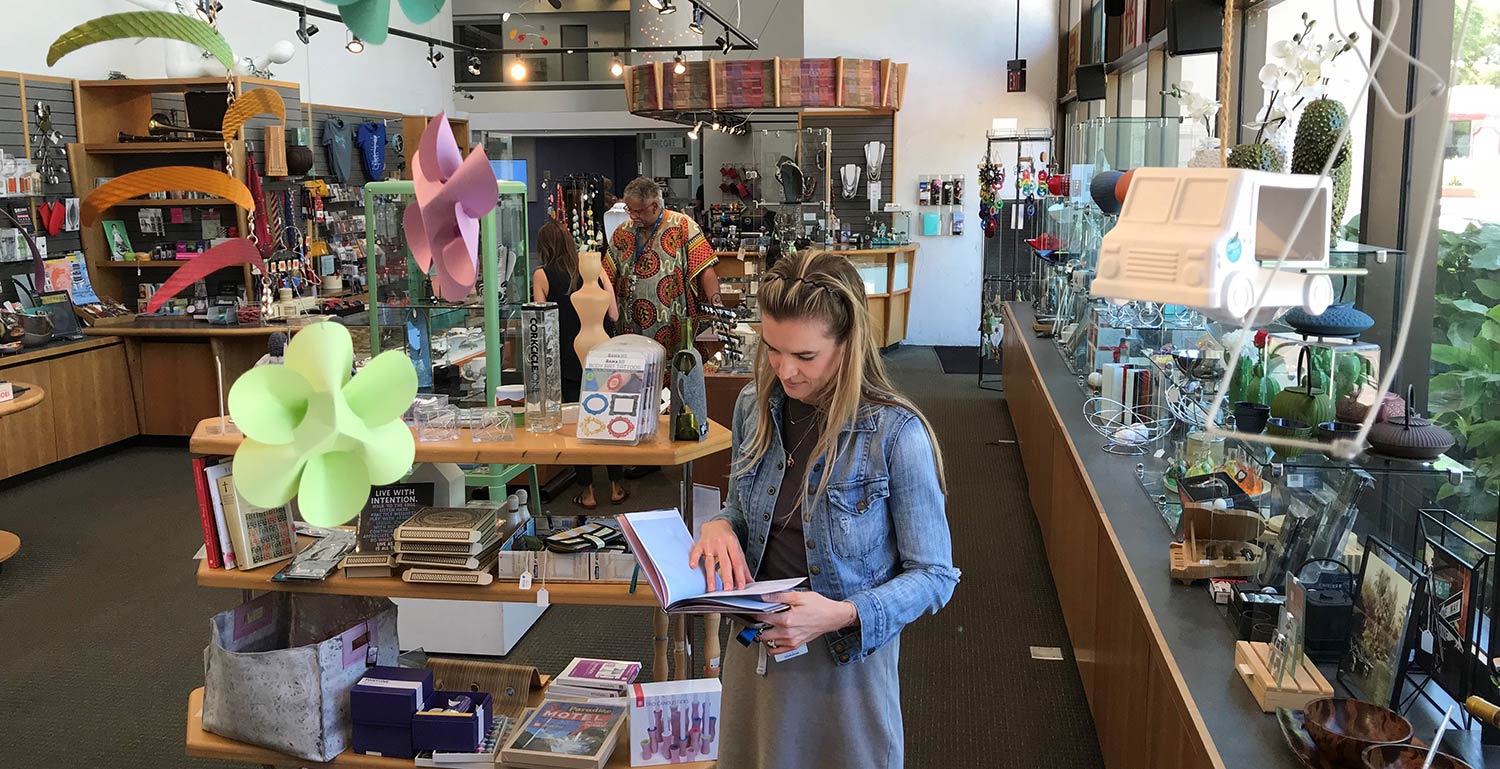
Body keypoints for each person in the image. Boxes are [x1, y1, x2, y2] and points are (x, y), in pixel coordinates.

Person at [688, 250, 960, 769]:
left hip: (843, 668)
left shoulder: (896, 435)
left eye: (806, 357)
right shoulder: (753, 406)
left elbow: (935, 576)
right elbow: (745, 516)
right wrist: (720, 525)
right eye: (772, 349)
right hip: (755, 656)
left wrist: (841, 614)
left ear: (848, 345)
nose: (785, 371)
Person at [532, 219, 628, 509]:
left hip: (568, 358)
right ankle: (616, 486)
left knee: (580, 425)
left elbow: (541, 322)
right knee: (609, 420)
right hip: (601, 353)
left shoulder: (542, 275)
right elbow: (613, 313)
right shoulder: (595, 271)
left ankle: (587, 492)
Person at [603, 176, 721, 352]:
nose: (633, 216)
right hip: (629, 326)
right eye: (630, 210)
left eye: (638, 211)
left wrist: (717, 308)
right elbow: (606, 274)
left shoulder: (682, 225)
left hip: (672, 325)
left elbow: (705, 269)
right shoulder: (623, 231)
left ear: (655, 206)